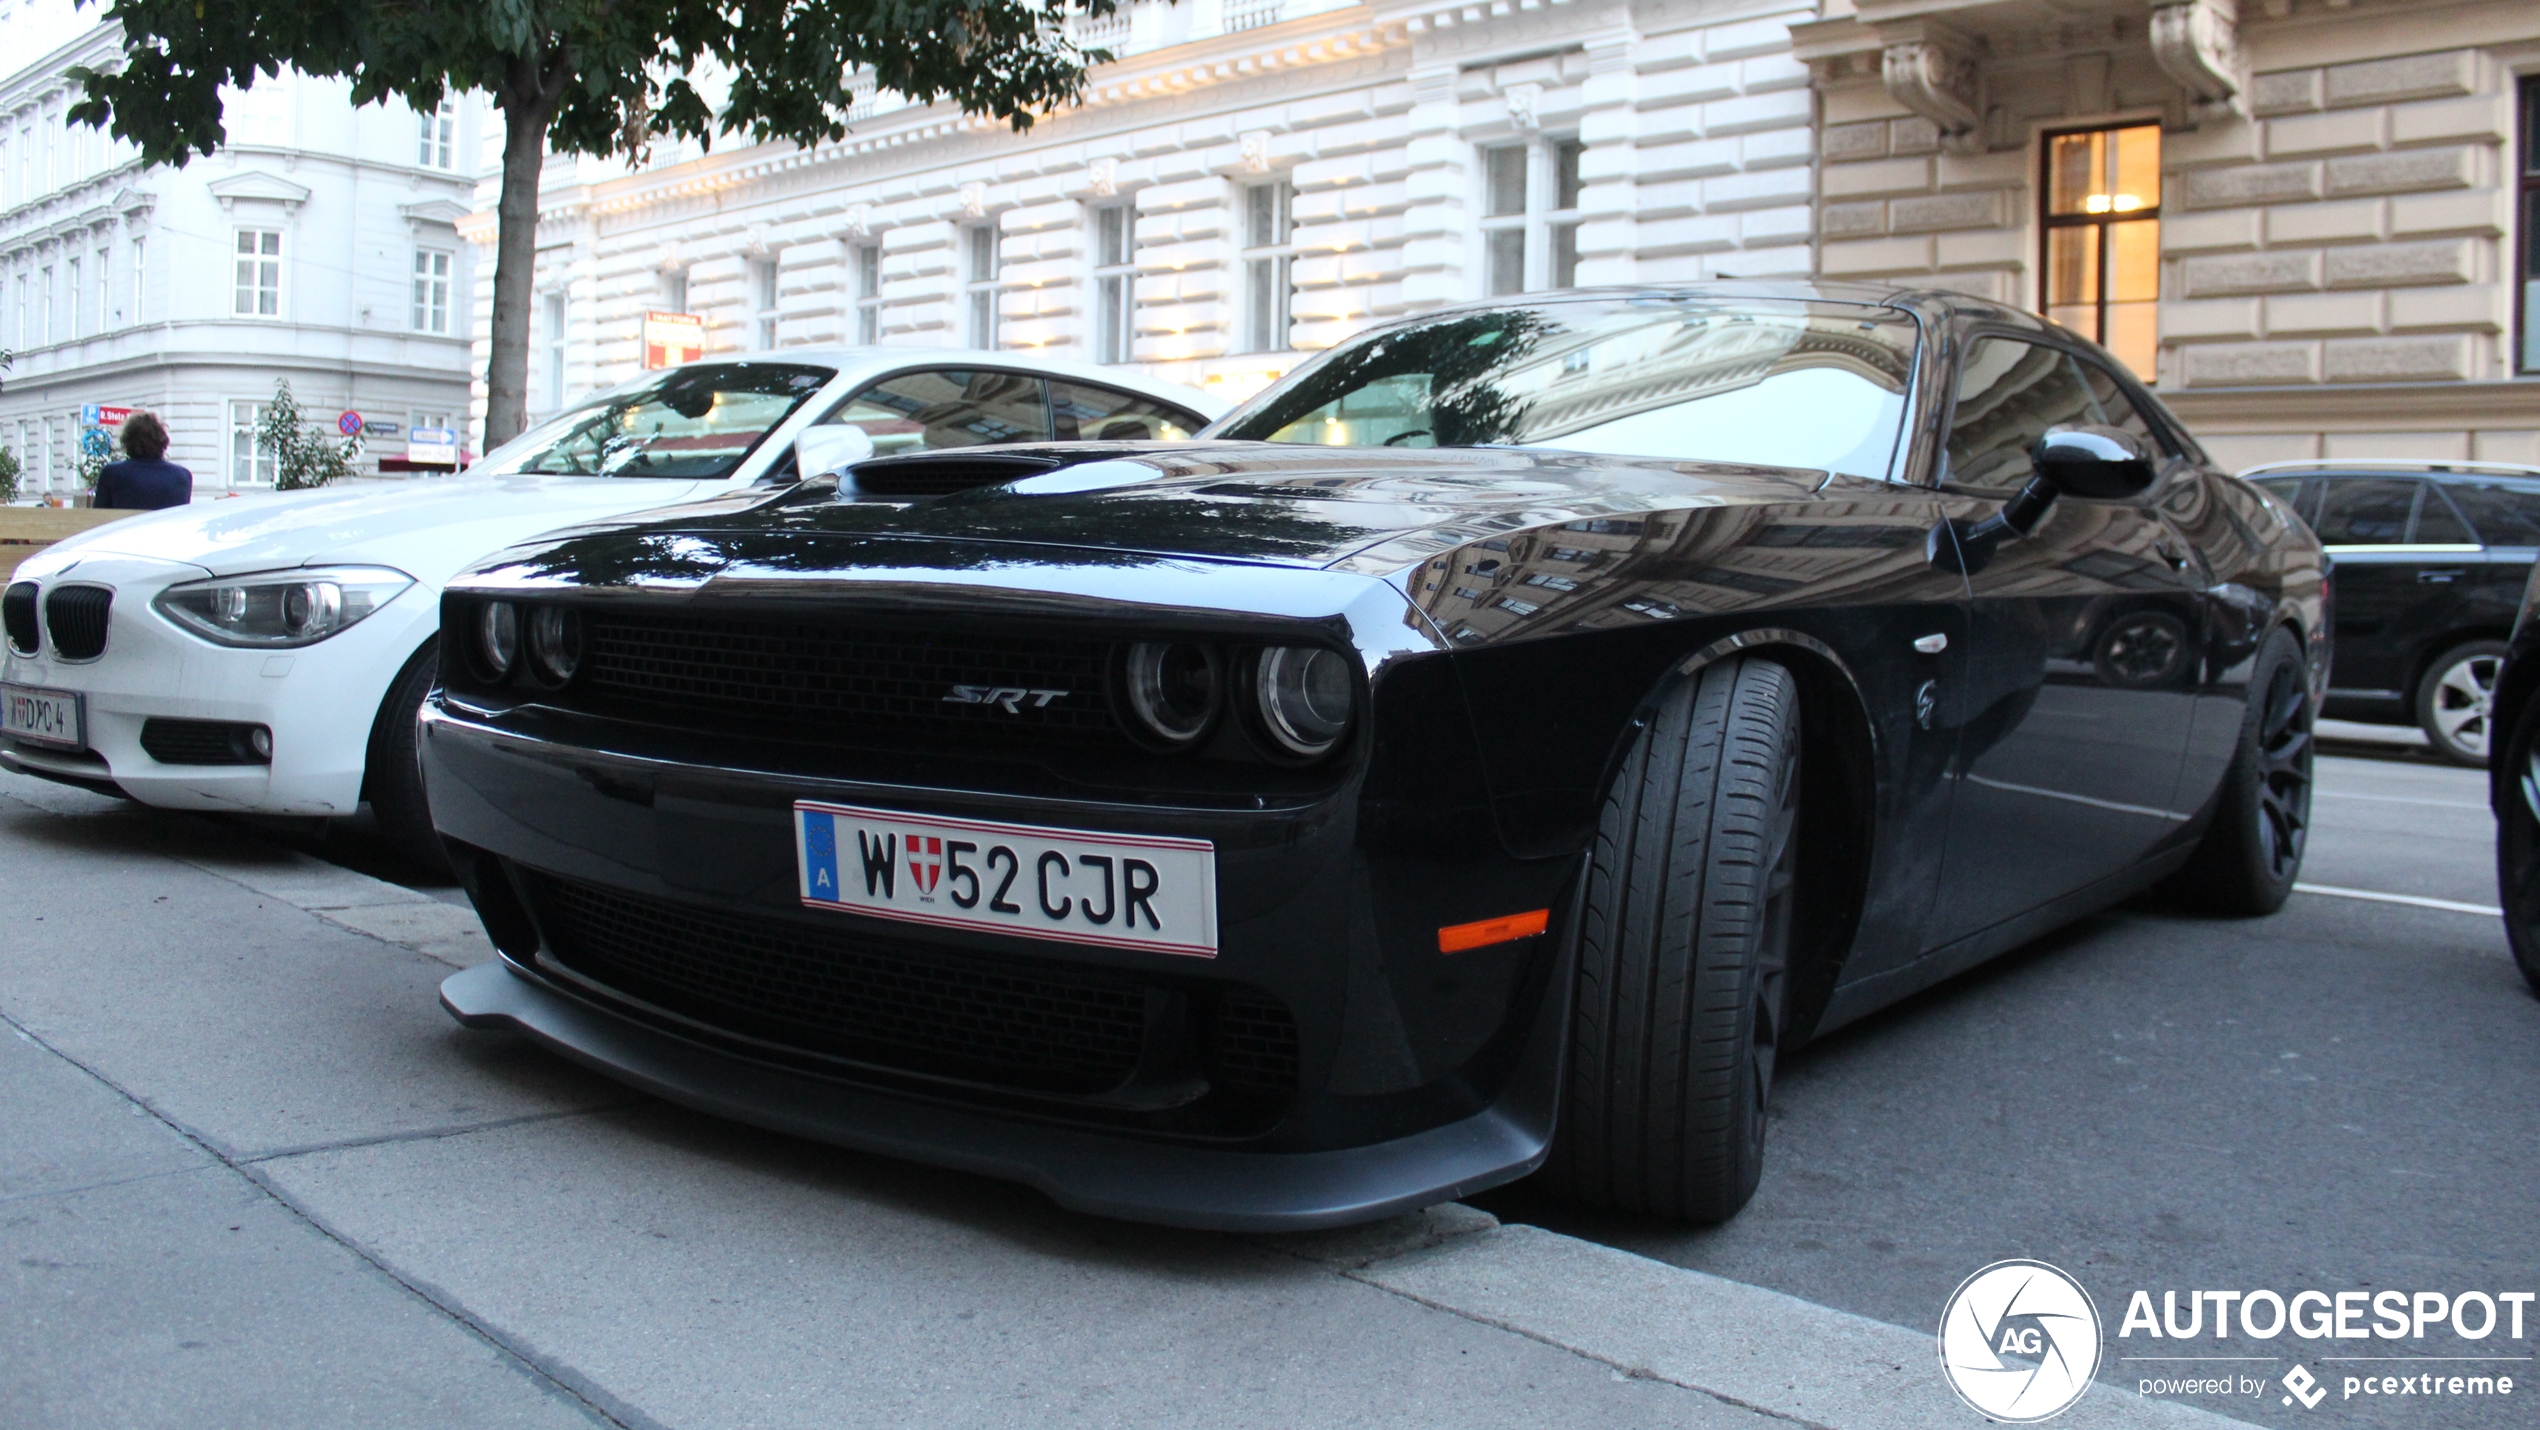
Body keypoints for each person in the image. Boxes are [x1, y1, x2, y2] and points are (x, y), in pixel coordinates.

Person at [92, 411, 193, 510]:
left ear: (127, 441)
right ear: (162, 440)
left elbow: (99, 516)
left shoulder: (112, 473)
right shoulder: (183, 476)